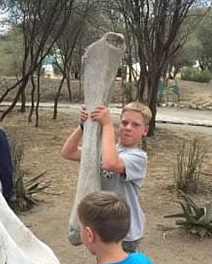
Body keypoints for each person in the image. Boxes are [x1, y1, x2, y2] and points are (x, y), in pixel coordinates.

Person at [61, 102, 151, 252]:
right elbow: (68, 152)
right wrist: (84, 126)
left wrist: (107, 125)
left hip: (126, 233)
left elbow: (110, 164)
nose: (128, 128)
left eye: (135, 125)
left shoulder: (138, 157)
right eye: (124, 122)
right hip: (106, 229)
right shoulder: (108, 150)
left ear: (145, 130)